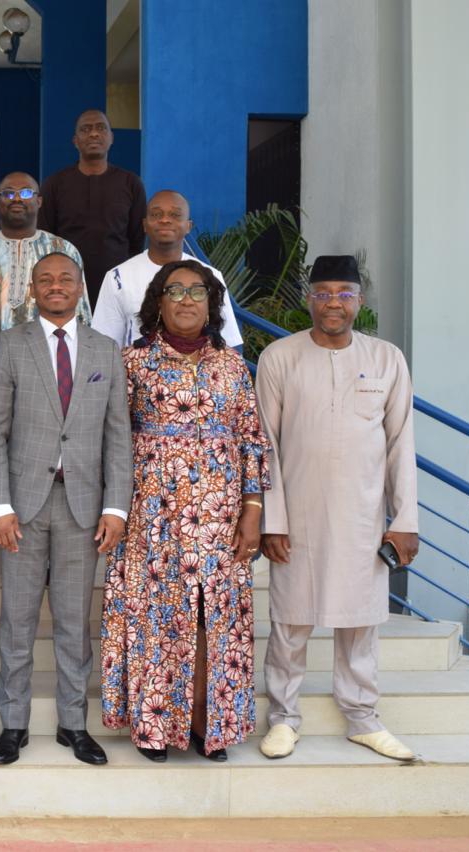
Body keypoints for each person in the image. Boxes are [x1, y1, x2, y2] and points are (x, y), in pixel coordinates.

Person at [100, 260, 271, 762]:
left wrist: (253, 511)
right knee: (156, 617)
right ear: (158, 301)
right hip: (152, 511)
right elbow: (111, 437)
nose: (186, 299)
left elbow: (252, 442)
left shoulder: (232, 366)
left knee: (210, 619)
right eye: (174, 290)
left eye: (197, 291)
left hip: (220, 514)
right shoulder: (132, 363)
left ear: (212, 303)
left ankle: (204, 722)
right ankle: (155, 725)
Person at [257, 255, 419, 763]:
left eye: (344, 293)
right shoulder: (280, 357)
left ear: (359, 301)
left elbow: (400, 444)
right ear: (309, 299)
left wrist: (406, 521)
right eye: (323, 292)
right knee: (290, 621)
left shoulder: (388, 358)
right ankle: (284, 719)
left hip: (363, 518)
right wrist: (272, 520)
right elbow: (266, 445)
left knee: (361, 622)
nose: (333, 302)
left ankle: (363, 718)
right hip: (298, 516)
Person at [0, 251, 131, 766]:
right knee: (17, 623)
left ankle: (74, 724)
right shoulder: (10, 345)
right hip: (22, 508)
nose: (56, 286)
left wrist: (117, 508)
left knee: (74, 624)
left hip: (82, 508)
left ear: (80, 285)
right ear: (33, 289)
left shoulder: (105, 350)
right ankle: (13, 725)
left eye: (66, 278)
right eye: (46, 279)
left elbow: (119, 438)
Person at [92, 190, 243, 350]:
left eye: (175, 215)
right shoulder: (118, 278)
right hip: (135, 372)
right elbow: (104, 345)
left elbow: (229, 343)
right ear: (144, 225)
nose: (164, 220)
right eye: (156, 215)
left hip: (199, 372)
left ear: (188, 226)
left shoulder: (210, 276)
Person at [0, 172, 91, 345]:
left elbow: (81, 312)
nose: (17, 199)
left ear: (39, 201)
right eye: (8, 193)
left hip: (49, 356)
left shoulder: (65, 250)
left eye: (26, 193)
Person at [38, 109, 145, 308]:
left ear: (111, 138)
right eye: (85, 129)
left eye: (101, 128)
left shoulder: (131, 183)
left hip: (118, 285)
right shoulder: (55, 184)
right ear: (75, 140)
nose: (94, 134)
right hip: (66, 287)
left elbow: (137, 239)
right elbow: (46, 238)